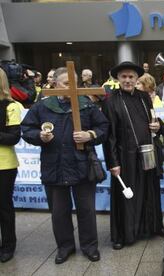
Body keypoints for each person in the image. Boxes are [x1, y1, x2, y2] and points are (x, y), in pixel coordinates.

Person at [21, 67, 109, 264]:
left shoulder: (86, 104)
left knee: (86, 210)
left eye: (74, 83)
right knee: (59, 212)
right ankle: (65, 246)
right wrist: (39, 136)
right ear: (55, 84)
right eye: (66, 83)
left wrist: (90, 135)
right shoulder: (42, 106)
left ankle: (89, 246)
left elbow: (103, 127)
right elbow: (26, 129)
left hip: (82, 165)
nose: (72, 87)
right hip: (55, 166)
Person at [102, 61, 164, 250]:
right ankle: (122, 235)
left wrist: (157, 126)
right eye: (124, 77)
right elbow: (110, 136)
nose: (128, 80)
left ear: (136, 78)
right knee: (127, 196)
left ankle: (155, 226)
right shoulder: (110, 100)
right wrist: (113, 162)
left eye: (131, 77)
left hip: (147, 152)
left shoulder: (144, 97)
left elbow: (153, 119)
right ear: (118, 79)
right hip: (125, 157)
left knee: (151, 191)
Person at [0, 68, 22, 263]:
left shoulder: (10, 106)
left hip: (4, 165)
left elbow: (13, 137)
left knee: (3, 207)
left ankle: (8, 245)